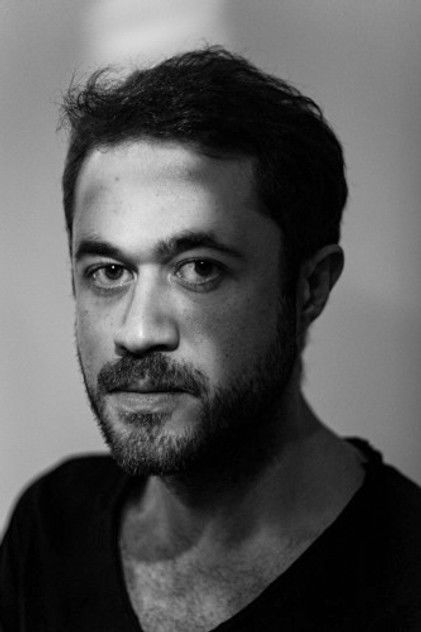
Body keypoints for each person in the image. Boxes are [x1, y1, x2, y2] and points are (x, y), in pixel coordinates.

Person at [0, 47, 420, 631]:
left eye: (199, 269)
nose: (137, 332)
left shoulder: (406, 579)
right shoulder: (51, 529)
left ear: (310, 287)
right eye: (109, 272)